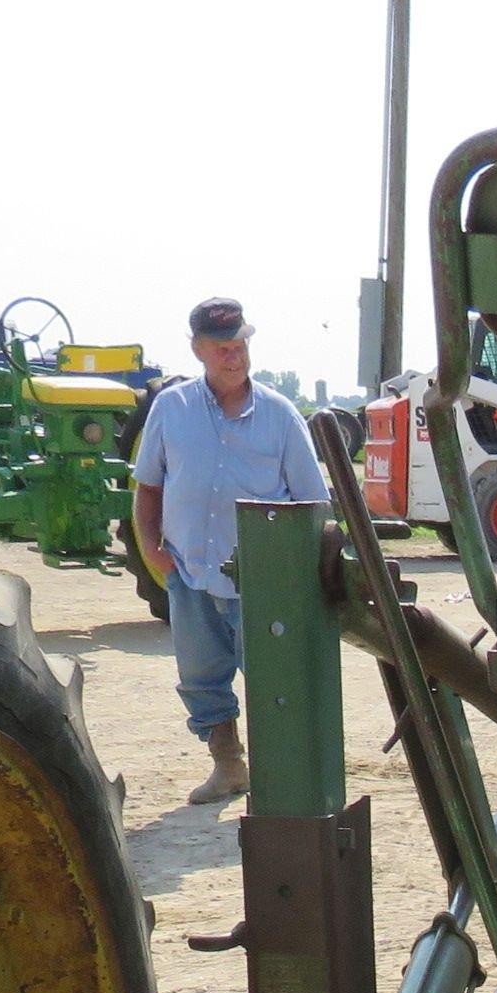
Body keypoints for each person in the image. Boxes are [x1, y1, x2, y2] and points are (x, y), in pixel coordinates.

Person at [130, 296, 330, 805]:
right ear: (198, 349)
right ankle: (229, 766)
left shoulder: (281, 416)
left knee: (272, 680)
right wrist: (154, 551)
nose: (233, 356)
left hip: (262, 578)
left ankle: (283, 779)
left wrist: (299, 572)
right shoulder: (170, 410)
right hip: (189, 570)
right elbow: (148, 487)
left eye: (240, 344)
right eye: (221, 347)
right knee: (201, 679)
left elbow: (313, 502)